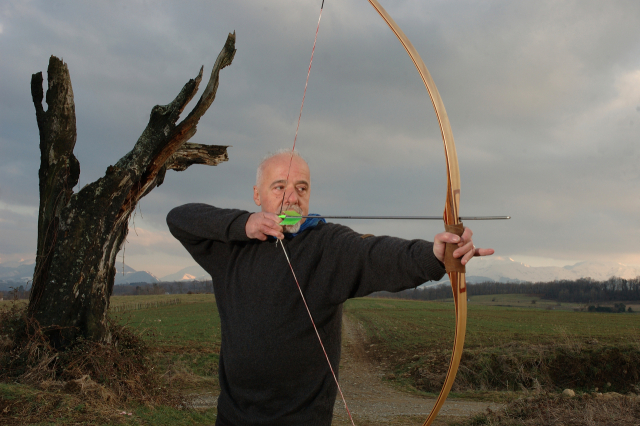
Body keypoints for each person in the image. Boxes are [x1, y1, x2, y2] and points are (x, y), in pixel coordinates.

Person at [167, 150, 493, 426]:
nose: (291, 197)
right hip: (232, 417)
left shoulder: (327, 245)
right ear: (257, 195)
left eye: (301, 188)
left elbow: (375, 255)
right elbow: (179, 217)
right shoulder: (231, 248)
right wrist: (243, 224)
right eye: (279, 186)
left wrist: (434, 255)